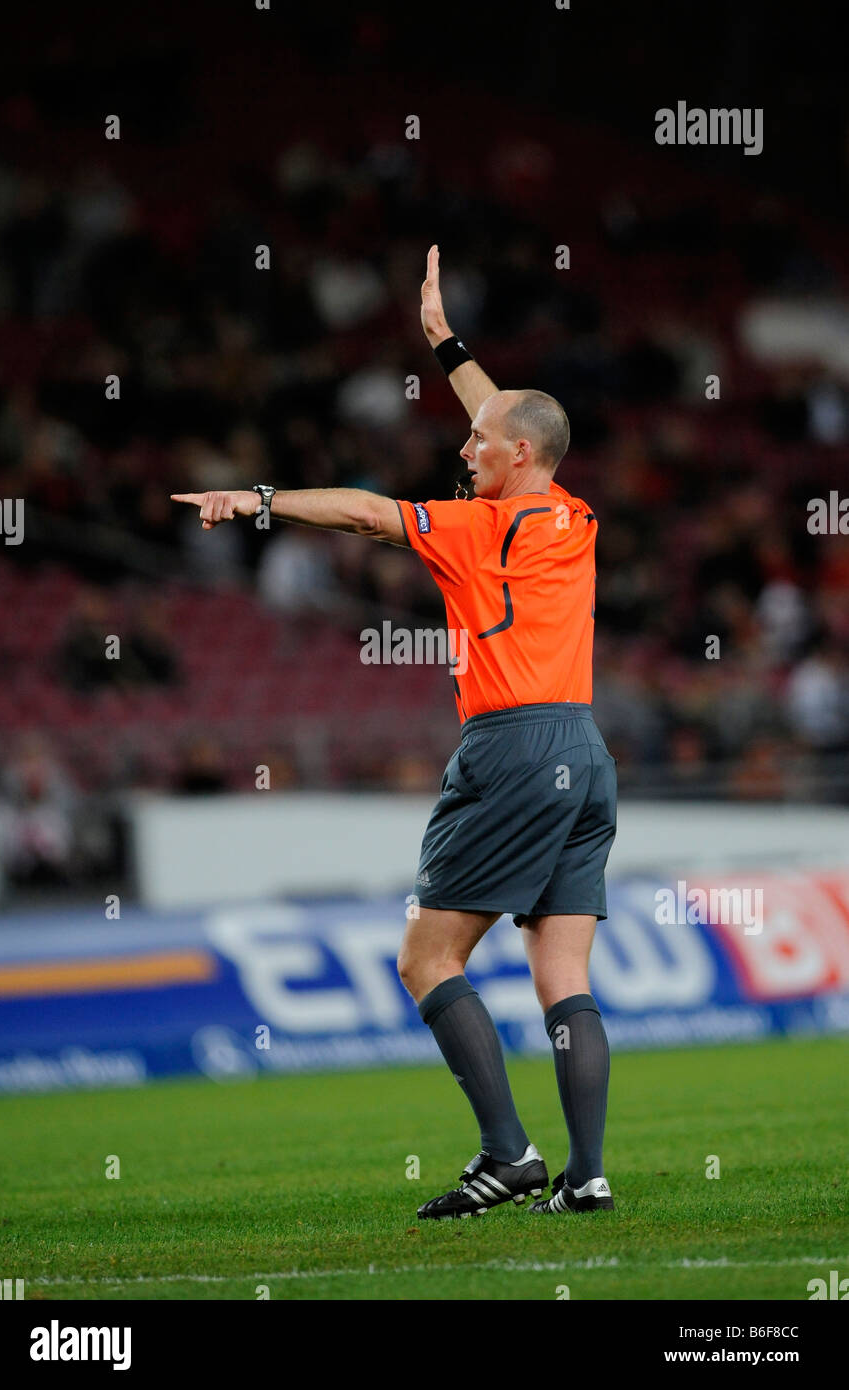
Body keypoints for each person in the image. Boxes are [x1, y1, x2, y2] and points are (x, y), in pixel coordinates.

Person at [171, 246, 617, 1220]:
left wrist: (253, 500)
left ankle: (507, 1152)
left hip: (510, 747)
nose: (463, 451)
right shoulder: (570, 515)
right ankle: (585, 1172)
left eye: (474, 445)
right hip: (584, 754)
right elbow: (509, 419)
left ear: (514, 461)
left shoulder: (477, 528)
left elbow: (371, 512)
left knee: (424, 956)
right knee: (562, 969)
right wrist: (448, 345)